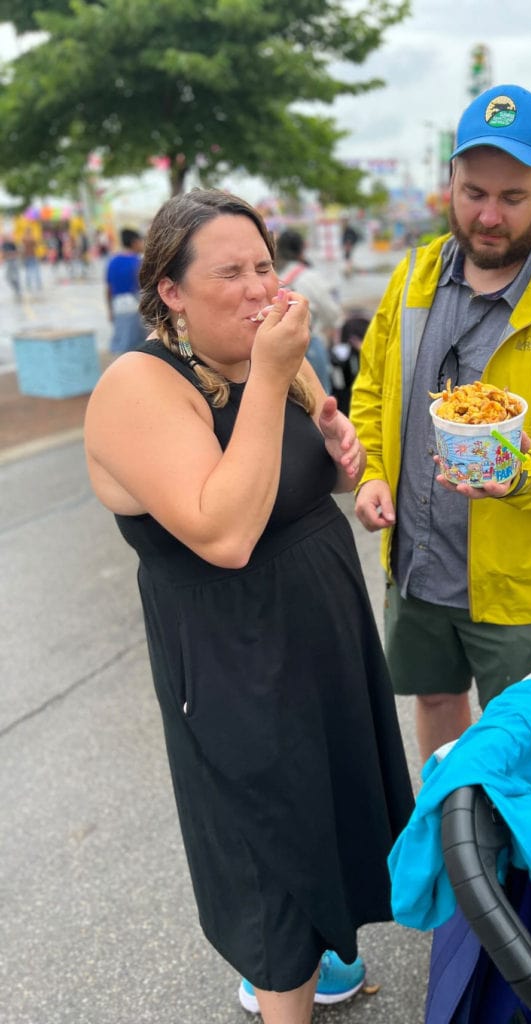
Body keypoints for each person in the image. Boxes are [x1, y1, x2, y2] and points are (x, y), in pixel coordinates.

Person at [83, 188, 414, 1024]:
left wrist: (355, 464)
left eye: (264, 264)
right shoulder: (140, 387)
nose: (258, 286)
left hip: (325, 641)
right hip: (233, 665)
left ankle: (329, 967)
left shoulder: (278, 358)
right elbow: (225, 531)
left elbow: (325, 444)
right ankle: (284, 996)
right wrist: (271, 374)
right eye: (229, 272)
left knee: (335, 805)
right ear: (171, 291)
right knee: (269, 855)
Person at [350, 83, 531, 764]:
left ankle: (503, 865)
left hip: (520, 575)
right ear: (450, 179)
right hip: (418, 564)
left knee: (518, 736)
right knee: (437, 701)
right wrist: (375, 472)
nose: (489, 216)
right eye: (475, 192)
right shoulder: (413, 277)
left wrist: (523, 470)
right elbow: (373, 391)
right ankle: (447, 846)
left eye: (513, 197)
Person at [274, 228, 342, 393]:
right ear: (301, 249)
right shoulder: (308, 276)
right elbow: (333, 314)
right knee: (320, 405)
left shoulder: (271, 274)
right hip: (309, 346)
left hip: (274, 348)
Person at [105, 228, 146, 354]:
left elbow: (108, 289)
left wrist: (110, 310)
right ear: (134, 242)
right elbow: (143, 287)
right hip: (136, 306)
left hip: (118, 306)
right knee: (140, 346)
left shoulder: (113, 261)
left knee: (122, 343)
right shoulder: (139, 262)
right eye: (141, 241)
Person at [1, 235, 22, 300]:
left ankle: (18, 289)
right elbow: (3, 253)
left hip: (14, 261)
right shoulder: (4, 245)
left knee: (15, 276)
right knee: (7, 277)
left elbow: (17, 252)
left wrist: (11, 254)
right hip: (8, 262)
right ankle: (16, 288)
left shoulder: (12, 244)